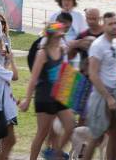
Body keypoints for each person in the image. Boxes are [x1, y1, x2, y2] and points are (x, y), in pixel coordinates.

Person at [19, 23, 74, 160]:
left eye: (62, 34)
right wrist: (27, 100)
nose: (61, 36)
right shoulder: (42, 53)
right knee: (42, 133)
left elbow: (65, 73)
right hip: (44, 97)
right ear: (51, 35)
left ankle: (56, 154)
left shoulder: (62, 49)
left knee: (70, 125)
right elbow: (33, 79)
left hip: (60, 95)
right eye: (59, 33)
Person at [84, 13, 116, 160]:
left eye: (115, 23)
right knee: (96, 136)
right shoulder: (98, 45)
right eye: (110, 24)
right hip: (101, 96)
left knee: (114, 133)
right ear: (103, 25)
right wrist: (108, 97)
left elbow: (114, 69)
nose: (114, 26)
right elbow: (93, 74)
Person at [68, 8, 103, 75]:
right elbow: (70, 56)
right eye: (89, 18)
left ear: (100, 19)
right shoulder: (82, 35)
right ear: (86, 19)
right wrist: (75, 44)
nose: (91, 21)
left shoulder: (106, 34)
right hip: (85, 75)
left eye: (94, 19)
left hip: (102, 75)